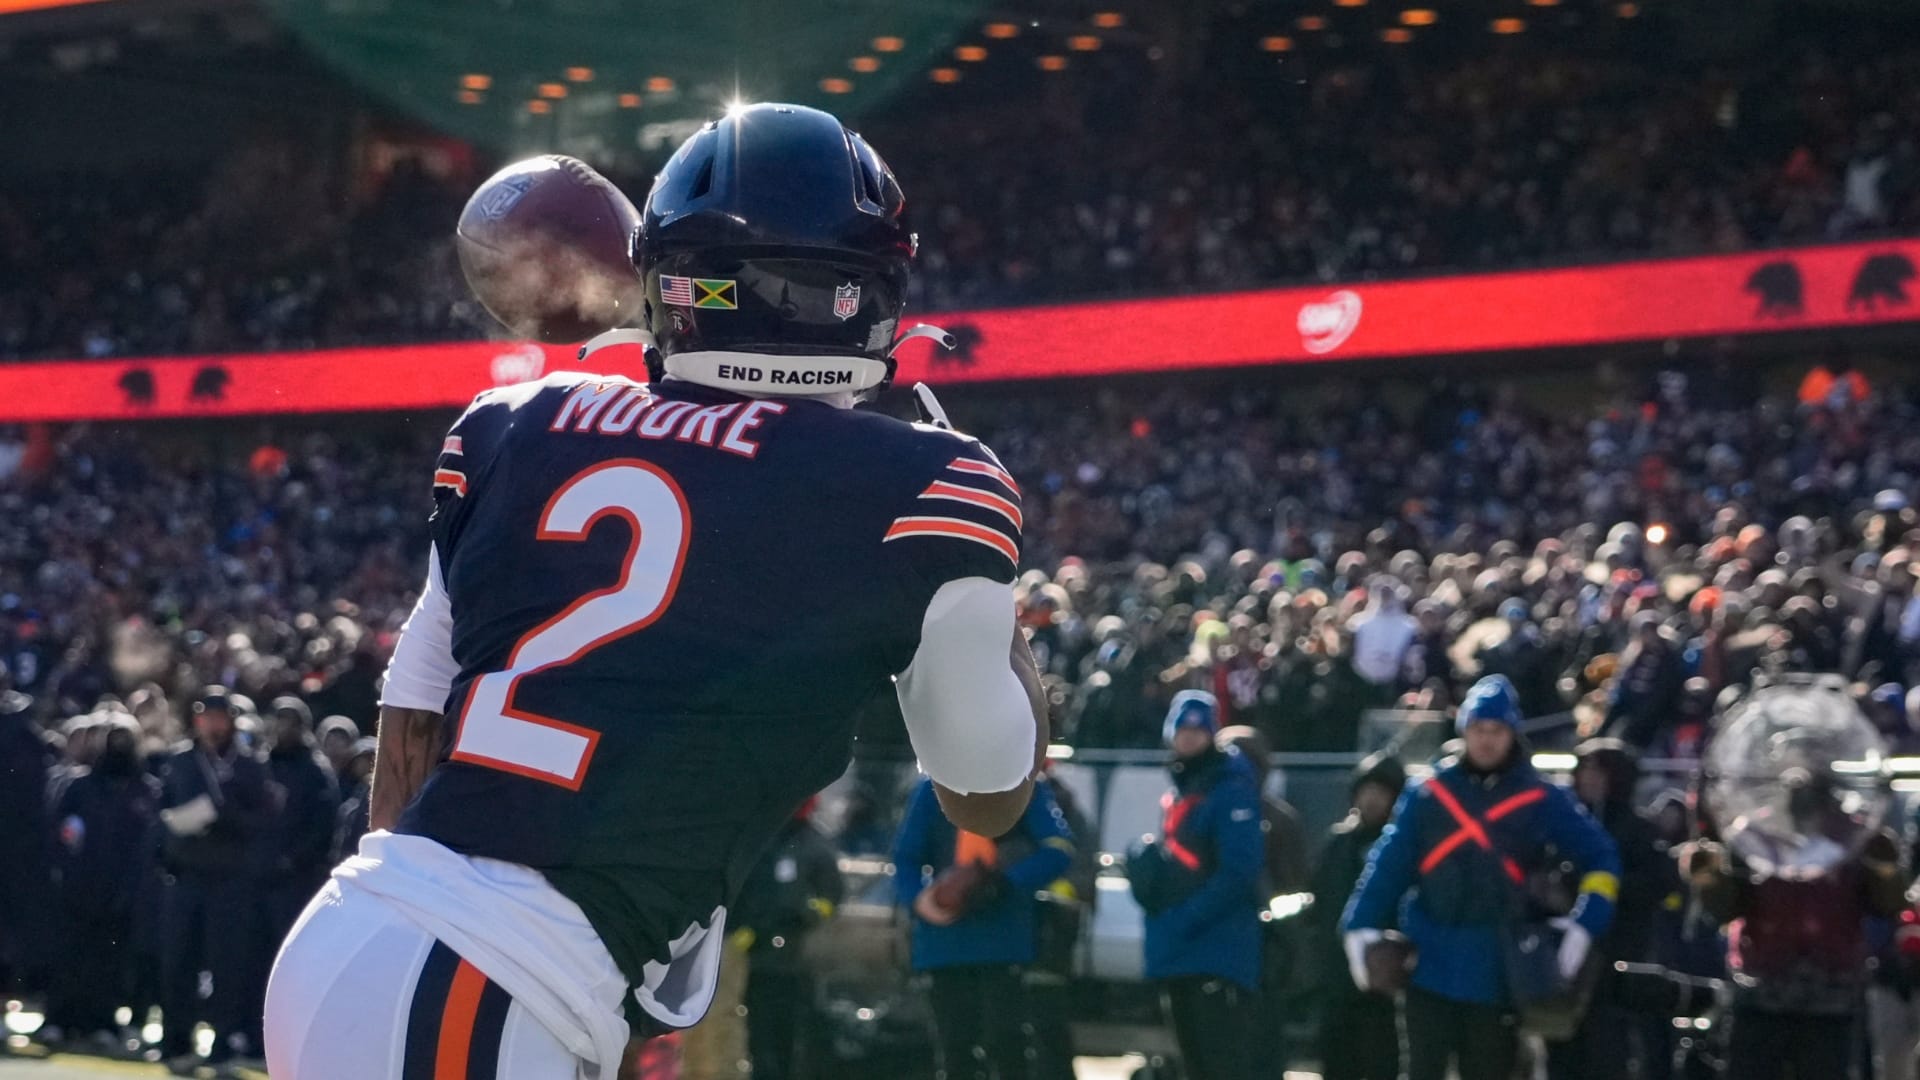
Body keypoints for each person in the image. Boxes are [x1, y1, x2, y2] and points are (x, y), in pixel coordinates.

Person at [265, 102, 1047, 1079]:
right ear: (873, 290)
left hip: (408, 938)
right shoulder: (927, 486)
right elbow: (987, 792)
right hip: (486, 983)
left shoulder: (514, 424)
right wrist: (987, 587)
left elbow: (416, 713)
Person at [1343, 675, 1621, 1080]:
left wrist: (1584, 925)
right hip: (1428, 964)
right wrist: (1359, 926)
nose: (1486, 740)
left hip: (1501, 971)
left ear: (1512, 733)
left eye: (1496, 730)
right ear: (1463, 730)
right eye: (1478, 730)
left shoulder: (1543, 797)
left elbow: (1602, 858)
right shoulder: (1428, 793)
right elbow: (1389, 865)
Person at [893, 774, 1073, 1080]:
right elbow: (904, 857)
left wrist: (1006, 883)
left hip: (1002, 942)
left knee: (1007, 1047)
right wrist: (921, 900)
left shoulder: (1023, 786)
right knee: (955, 1051)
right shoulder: (932, 788)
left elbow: (1058, 850)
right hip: (946, 944)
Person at [1134, 690, 1264, 1080]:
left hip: (1217, 950)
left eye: (1198, 728)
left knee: (1220, 1063)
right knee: (1194, 1064)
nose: (1189, 736)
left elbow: (1240, 871)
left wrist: (1186, 918)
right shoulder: (1182, 790)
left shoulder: (1231, 787)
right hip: (1182, 950)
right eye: (1181, 728)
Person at [157, 688, 274, 1073]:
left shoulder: (250, 766)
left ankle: (222, 1046)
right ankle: (177, 1043)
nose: (213, 723)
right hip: (188, 874)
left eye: (220, 716)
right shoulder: (181, 762)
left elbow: (265, 822)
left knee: (228, 967)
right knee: (179, 963)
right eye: (206, 716)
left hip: (230, 879)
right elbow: (162, 815)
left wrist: (227, 816)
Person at [1547, 739, 1679, 1080]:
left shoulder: (1638, 831)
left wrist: (1600, 886)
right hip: (1564, 963)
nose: (1589, 778)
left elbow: (1658, 884)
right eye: (1584, 769)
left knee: (1608, 1052)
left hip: (1617, 960)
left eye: (1598, 770)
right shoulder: (1564, 826)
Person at [43, 716, 160, 1053]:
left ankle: (101, 1022)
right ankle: (59, 1021)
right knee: (68, 957)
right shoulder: (79, 787)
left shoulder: (146, 790)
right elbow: (58, 835)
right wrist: (64, 876)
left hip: (122, 893)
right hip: (77, 890)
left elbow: (149, 847)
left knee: (110, 963)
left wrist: (133, 890)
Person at [1309, 752, 1406, 1080]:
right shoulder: (1337, 844)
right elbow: (1319, 900)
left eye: (1382, 791)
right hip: (1337, 981)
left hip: (1385, 984)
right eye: (1367, 790)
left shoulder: (1403, 847)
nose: (1372, 799)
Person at [738, 798, 844, 1080]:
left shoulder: (815, 845)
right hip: (755, 955)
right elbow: (743, 891)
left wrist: (806, 914)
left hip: (799, 956)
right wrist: (745, 930)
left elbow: (832, 895)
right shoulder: (760, 841)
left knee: (792, 1033)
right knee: (755, 1032)